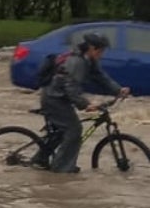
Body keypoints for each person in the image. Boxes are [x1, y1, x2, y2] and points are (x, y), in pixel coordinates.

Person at [40, 31, 130, 173]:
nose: (102, 54)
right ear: (92, 48)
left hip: (60, 97)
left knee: (62, 133)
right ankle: (61, 170)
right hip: (53, 99)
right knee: (74, 130)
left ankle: (40, 159)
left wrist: (118, 90)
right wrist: (85, 104)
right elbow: (70, 87)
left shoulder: (89, 60)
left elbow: (101, 77)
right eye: (101, 50)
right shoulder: (76, 62)